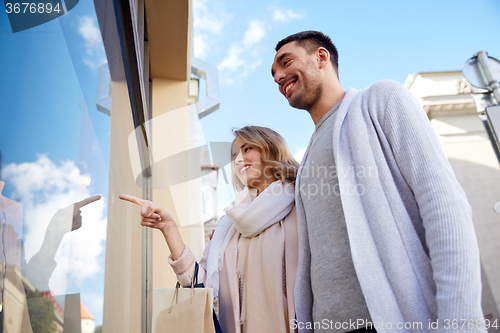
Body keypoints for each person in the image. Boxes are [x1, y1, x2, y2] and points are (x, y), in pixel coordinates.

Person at [271, 31, 485, 333]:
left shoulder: (381, 99)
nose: (278, 76)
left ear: (321, 57)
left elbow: (444, 206)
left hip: (390, 322)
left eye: (285, 62)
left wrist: (459, 322)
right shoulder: (306, 159)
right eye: (273, 73)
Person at [120, 126, 300, 333]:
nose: (239, 158)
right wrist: (169, 228)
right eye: (234, 155)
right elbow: (197, 283)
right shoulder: (230, 224)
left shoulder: (300, 205)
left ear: (272, 150)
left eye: (247, 148)